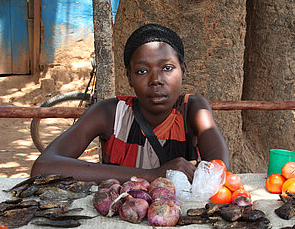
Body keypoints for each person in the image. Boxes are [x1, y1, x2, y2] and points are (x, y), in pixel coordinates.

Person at [31, 23, 230, 183]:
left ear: (183, 71)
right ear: (128, 77)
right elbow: (44, 166)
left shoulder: (193, 110)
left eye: (167, 68)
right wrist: (152, 175)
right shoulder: (110, 113)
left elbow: (220, 169)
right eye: (142, 71)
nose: (156, 80)